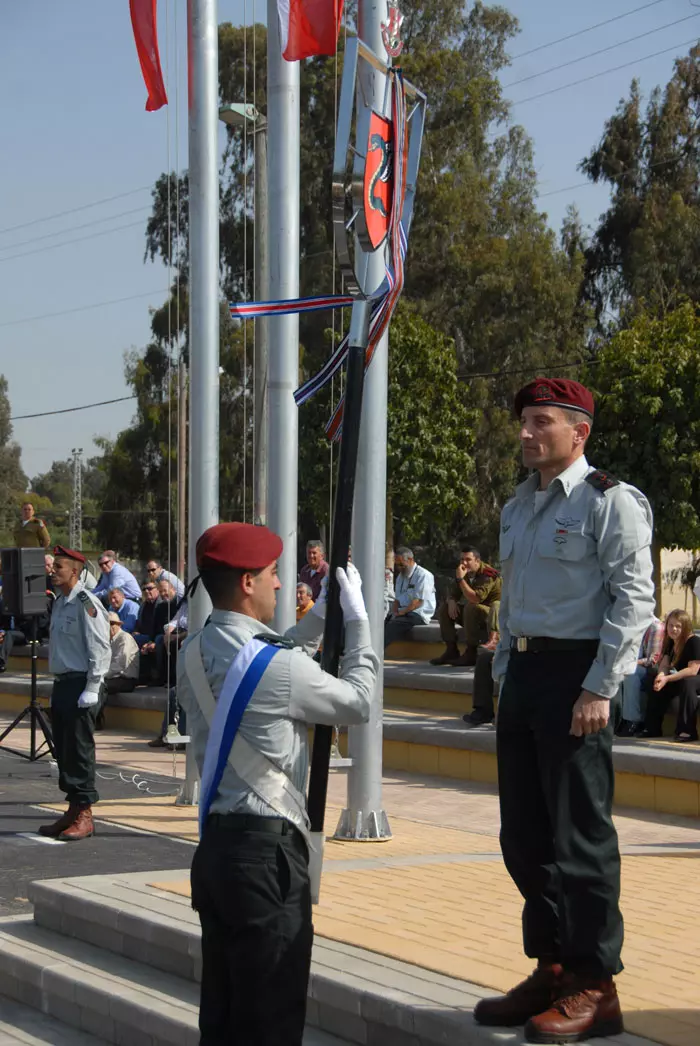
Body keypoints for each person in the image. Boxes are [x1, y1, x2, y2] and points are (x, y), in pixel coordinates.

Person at [474, 378, 655, 1044]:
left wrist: (601, 687)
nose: (526, 432)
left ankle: (594, 985)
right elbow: (513, 604)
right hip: (524, 673)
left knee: (580, 838)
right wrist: (503, 679)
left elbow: (634, 603)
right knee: (524, 837)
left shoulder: (611, 502)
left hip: (576, 676)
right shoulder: (518, 508)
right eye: (523, 420)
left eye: (540, 422)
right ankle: (551, 969)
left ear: (579, 431)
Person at [178, 521, 378, 1045]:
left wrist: (314, 624)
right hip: (267, 860)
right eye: (271, 574)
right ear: (247, 583)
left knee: (223, 1018)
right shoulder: (280, 668)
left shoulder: (192, 651)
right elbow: (358, 701)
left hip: (218, 852)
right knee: (271, 1019)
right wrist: (357, 624)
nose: (280, 585)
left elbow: (263, 661)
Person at [38, 545, 111, 842]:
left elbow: (99, 647)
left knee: (79, 750)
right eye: (54, 567)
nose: (53, 572)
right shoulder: (59, 602)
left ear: (76, 571)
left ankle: (85, 814)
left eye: (59, 567)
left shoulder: (86, 603)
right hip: (64, 682)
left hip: (82, 683)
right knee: (65, 749)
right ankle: (72, 807)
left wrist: (93, 686)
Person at [431, 547, 501, 667]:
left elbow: (476, 598)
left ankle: (471, 652)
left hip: (492, 617)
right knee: (444, 608)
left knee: (471, 606)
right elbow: (453, 593)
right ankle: (451, 650)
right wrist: (451, 600)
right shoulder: (466, 573)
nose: (464, 563)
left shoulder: (488, 574)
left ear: (477, 561)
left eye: (468, 559)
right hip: (474, 615)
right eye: (462, 559)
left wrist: (460, 579)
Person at [641, 609, 700, 741]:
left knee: (688, 681)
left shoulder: (694, 641)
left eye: (678, 626)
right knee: (655, 680)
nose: (673, 629)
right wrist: (661, 676)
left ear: (685, 627)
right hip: (681, 679)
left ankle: (687, 731)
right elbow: (665, 665)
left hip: (695, 679)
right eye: (671, 625)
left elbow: (693, 670)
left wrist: (667, 678)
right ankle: (651, 728)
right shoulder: (671, 642)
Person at [616, 616, 665, 737]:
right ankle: (620, 718)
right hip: (636, 665)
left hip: (651, 669)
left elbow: (653, 659)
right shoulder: (631, 624)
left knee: (630, 674)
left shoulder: (655, 626)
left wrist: (630, 663)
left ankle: (632, 720)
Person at [383, 547, 436, 650]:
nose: (399, 568)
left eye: (401, 565)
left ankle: (378, 651)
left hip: (419, 613)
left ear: (411, 560)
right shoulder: (400, 577)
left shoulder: (423, 575)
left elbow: (418, 602)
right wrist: (394, 612)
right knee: (384, 622)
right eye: (397, 565)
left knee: (395, 624)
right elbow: (397, 600)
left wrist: (401, 613)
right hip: (404, 611)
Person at [104, 612, 140, 695]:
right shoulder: (108, 640)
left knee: (98, 687)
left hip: (126, 680)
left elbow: (120, 664)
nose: (109, 626)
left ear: (119, 625)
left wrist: (101, 675)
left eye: (112, 623)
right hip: (114, 677)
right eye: (106, 623)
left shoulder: (124, 638)